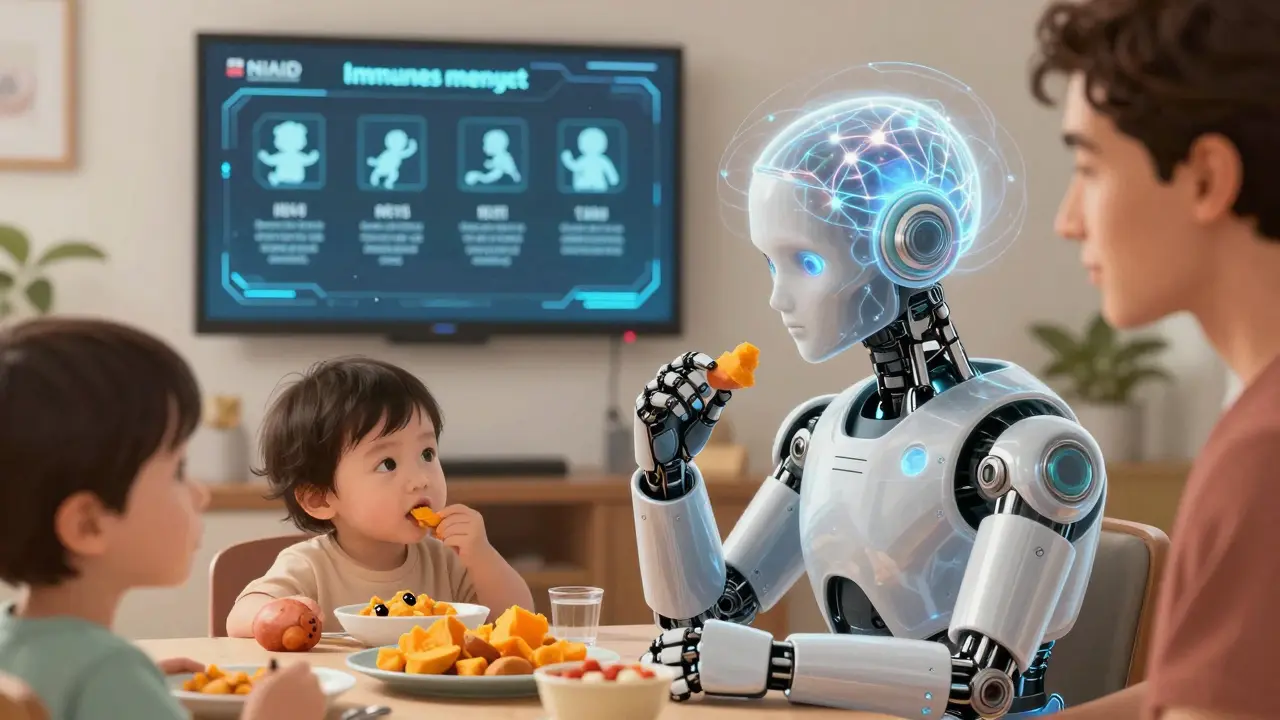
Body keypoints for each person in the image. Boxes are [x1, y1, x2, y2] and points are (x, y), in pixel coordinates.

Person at [1031, 0, 1280, 718]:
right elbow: (1196, 694)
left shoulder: (1263, 458)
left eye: (1090, 167)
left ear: (1205, 177)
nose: (1068, 218)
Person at [0, 317, 325, 720]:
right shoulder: (108, 675)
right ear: (89, 525)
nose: (200, 492)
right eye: (177, 469)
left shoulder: (13, 645)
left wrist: (132, 692)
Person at [225, 357, 533, 636]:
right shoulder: (309, 566)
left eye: (427, 453)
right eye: (388, 463)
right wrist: (283, 612)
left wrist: (483, 555)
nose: (420, 479)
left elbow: (517, 619)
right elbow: (238, 617)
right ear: (320, 499)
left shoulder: (447, 560)